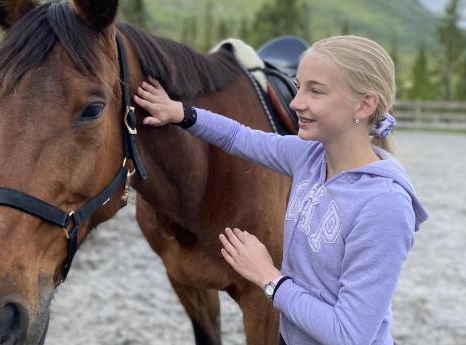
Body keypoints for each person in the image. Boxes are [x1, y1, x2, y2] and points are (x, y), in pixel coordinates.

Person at [133, 35, 428, 345]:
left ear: (365, 104)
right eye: (298, 86)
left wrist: (267, 276)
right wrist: (181, 113)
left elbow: (350, 336)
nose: (296, 102)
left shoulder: (384, 206)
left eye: (315, 91)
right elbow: (238, 137)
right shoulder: (310, 156)